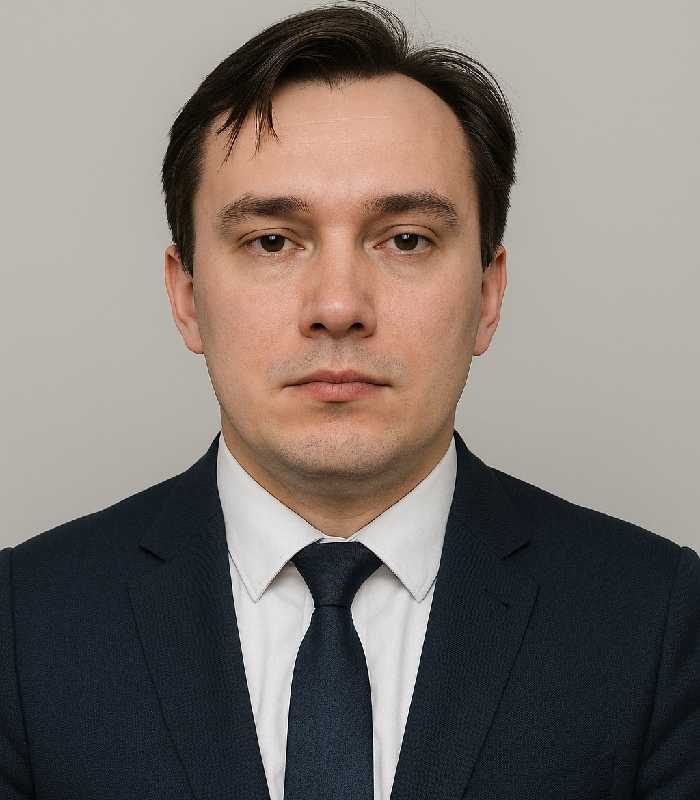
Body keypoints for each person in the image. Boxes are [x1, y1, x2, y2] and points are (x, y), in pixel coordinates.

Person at [1, 2, 698, 798]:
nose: (338, 306)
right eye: (272, 241)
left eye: (406, 239)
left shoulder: (656, 619)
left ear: (488, 293)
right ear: (187, 296)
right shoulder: (23, 627)